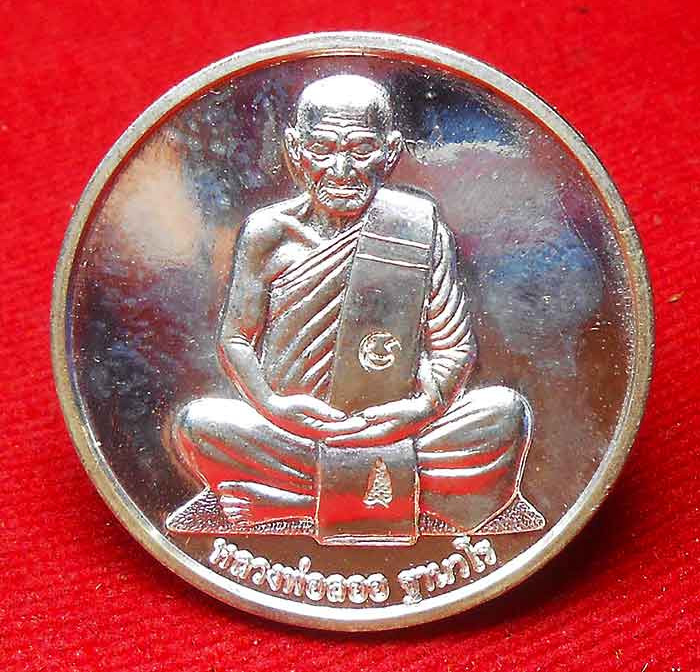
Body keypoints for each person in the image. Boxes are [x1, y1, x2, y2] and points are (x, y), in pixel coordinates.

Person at [170, 74, 540, 542]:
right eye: (322, 149)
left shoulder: (418, 227)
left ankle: (289, 500)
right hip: (296, 432)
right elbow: (236, 339)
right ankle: (400, 495)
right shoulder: (269, 234)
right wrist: (274, 406)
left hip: (403, 431)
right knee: (201, 426)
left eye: (362, 149)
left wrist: (422, 407)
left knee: (502, 415)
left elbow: (452, 346)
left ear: (390, 151)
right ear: (295, 150)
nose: (341, 169)